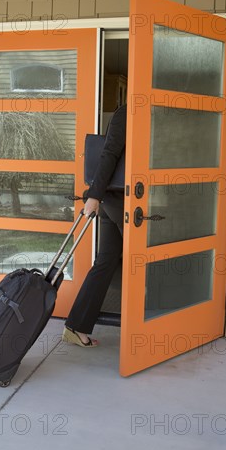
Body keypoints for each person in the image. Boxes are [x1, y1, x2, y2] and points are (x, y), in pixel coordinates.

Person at [62, 104, 127, 347]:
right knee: (143, 261)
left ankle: (75, 327)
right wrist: (94, 196)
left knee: (106, 261)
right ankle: (149, 329)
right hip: (118, 200)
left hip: (114, 199)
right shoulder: (127, 112)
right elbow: (109, 153)